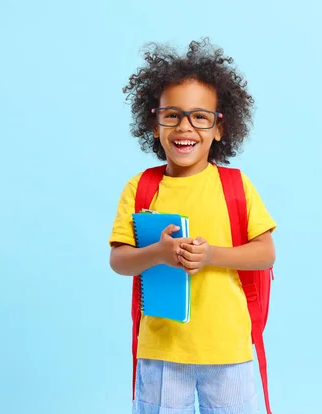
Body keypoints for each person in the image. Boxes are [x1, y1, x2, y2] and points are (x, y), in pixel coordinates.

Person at [108, 38, 277, 414]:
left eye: (200, 117)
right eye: (172, 115)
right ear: (154, 123)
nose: (185, 127)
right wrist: (158, 253)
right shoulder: (141, 188)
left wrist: (212, 255)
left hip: (228, 347)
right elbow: (119, 261)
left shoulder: (235, 185)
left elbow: (265, 254)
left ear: (219, 128)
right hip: (161, 351)